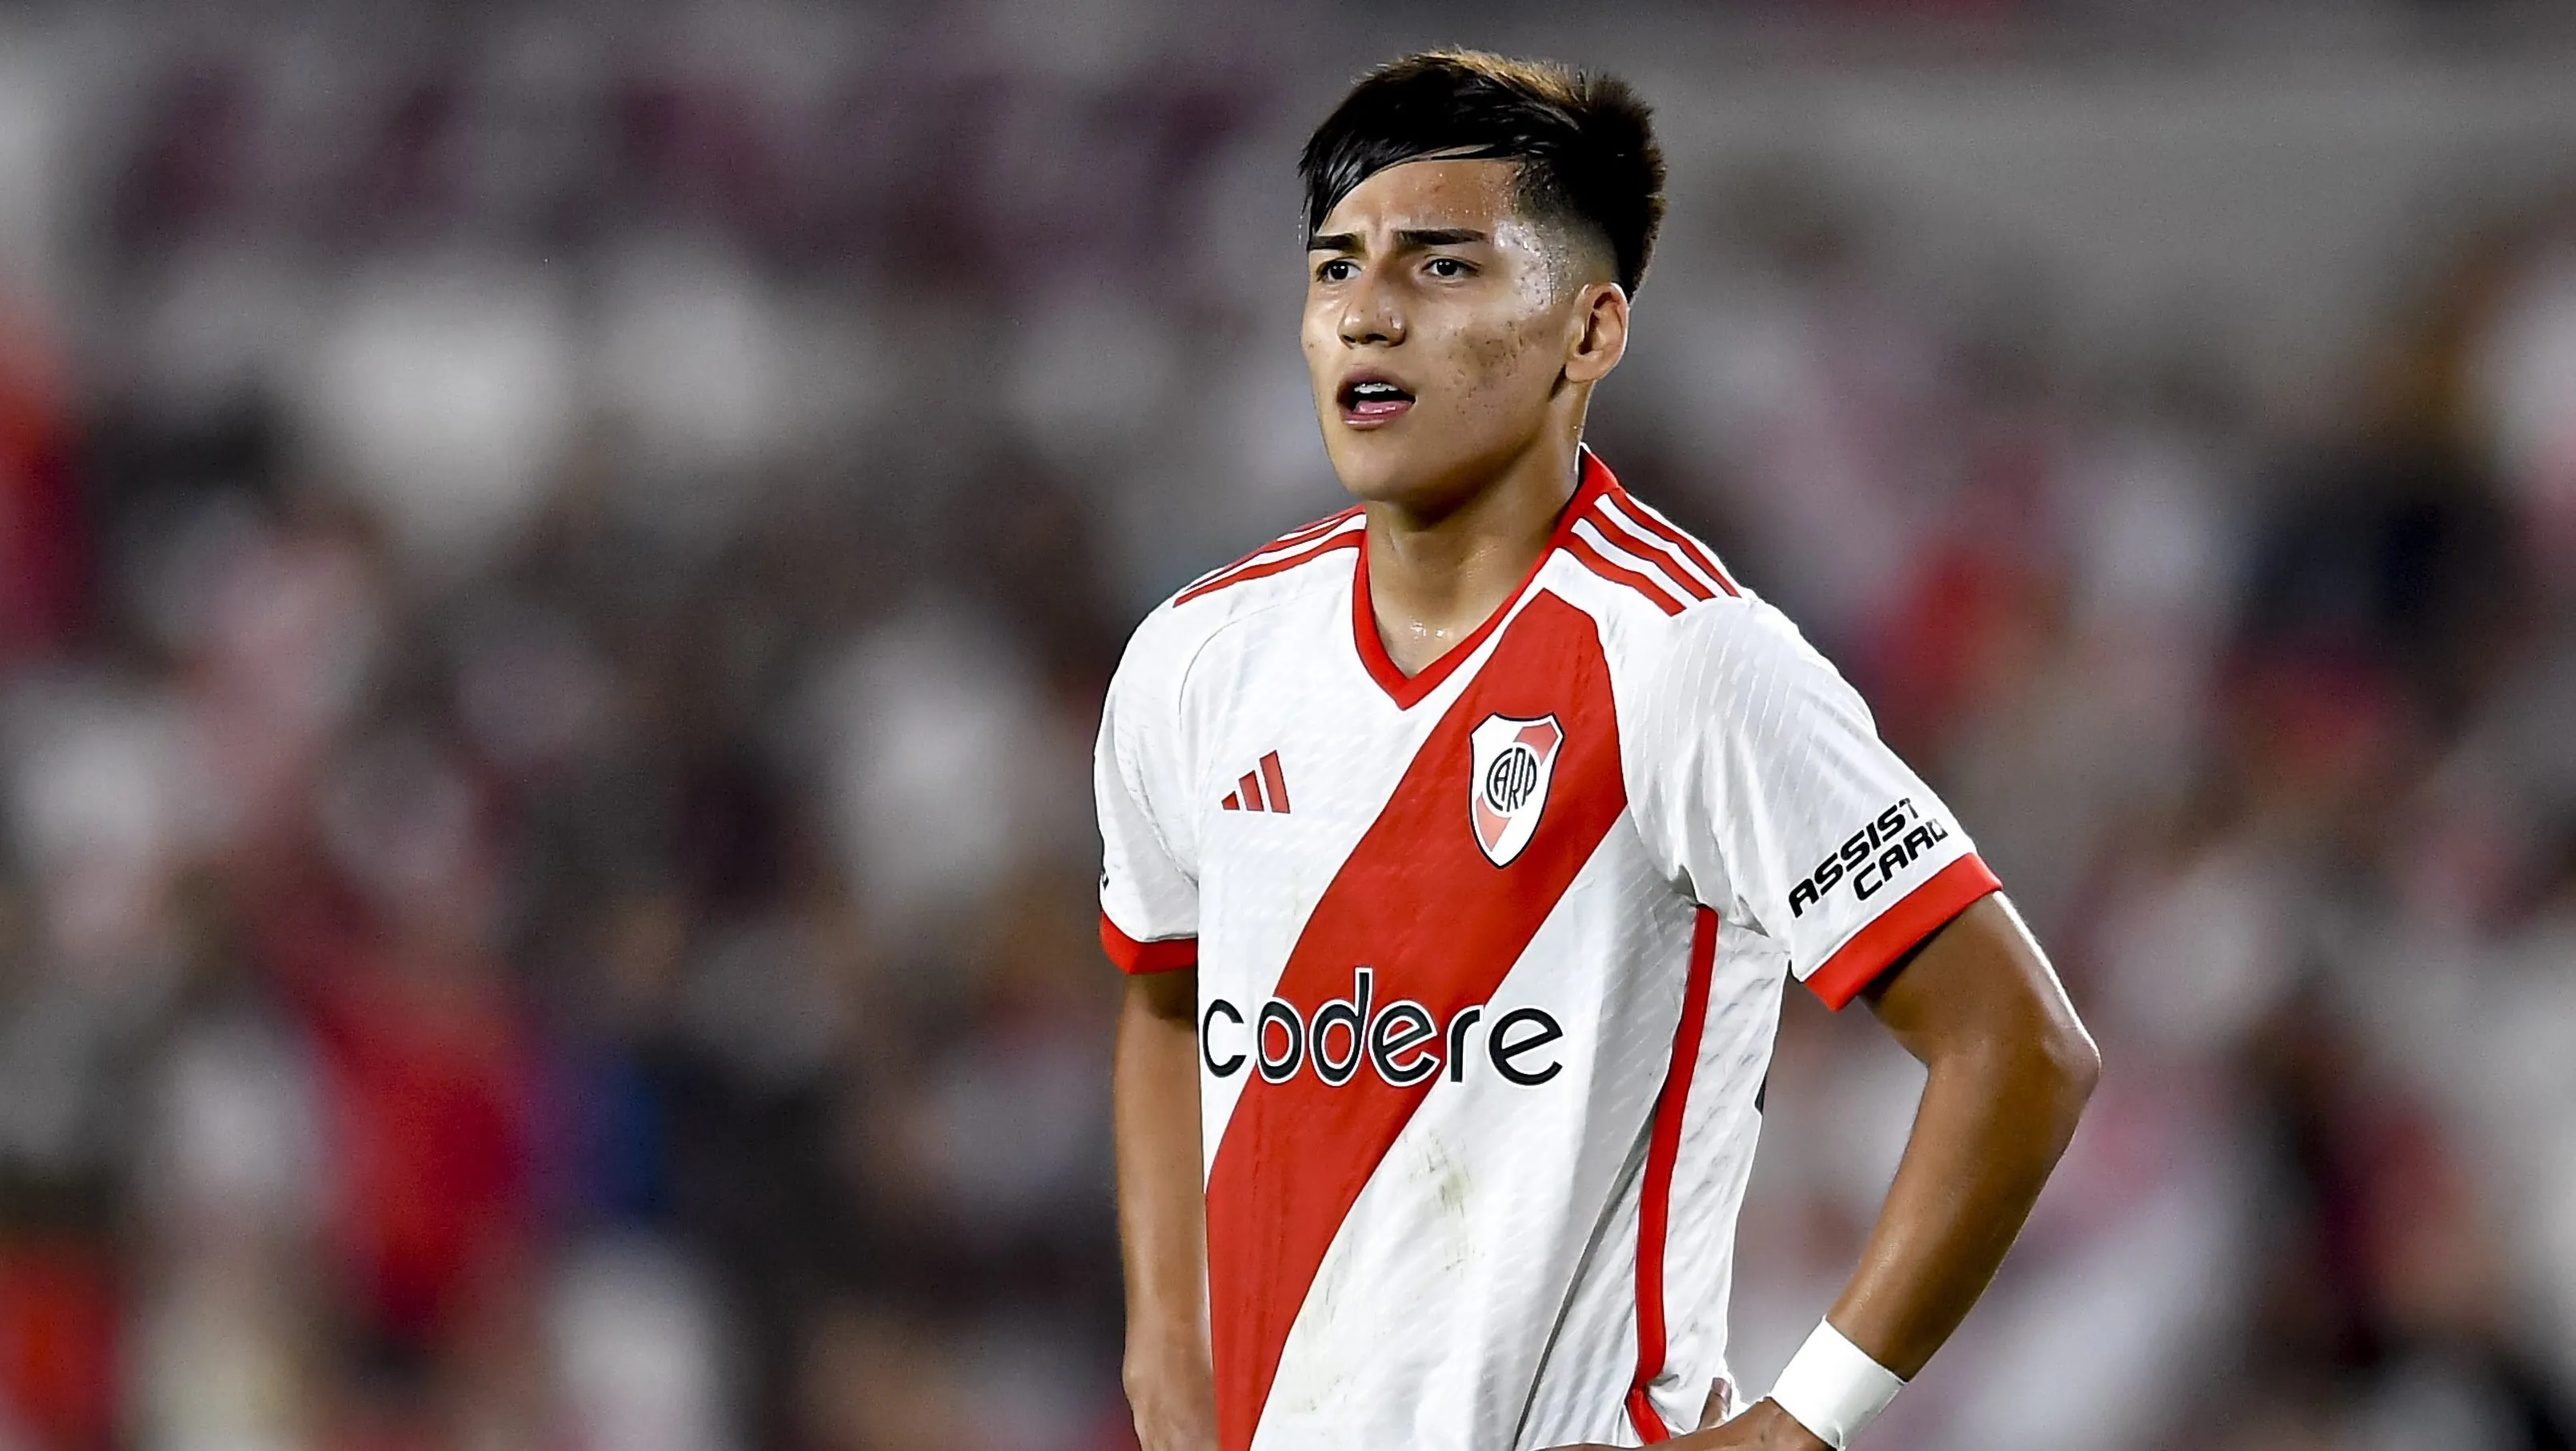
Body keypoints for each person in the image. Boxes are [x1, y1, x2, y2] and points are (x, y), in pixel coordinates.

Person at [1096, 50, 2098, 1451]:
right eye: (1334, 268)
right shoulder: (1194, 661)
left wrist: (1801, 1424)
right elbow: (1159, 990)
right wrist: (1165, 1350)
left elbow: (2019, 1045)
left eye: (1440, 269)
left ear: (1588, 333)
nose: (1367, 314)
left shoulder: (1687, 663)